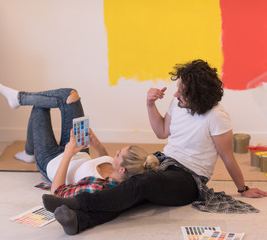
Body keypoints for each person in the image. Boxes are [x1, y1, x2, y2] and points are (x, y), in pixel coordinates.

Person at [41, 59, 267, 235]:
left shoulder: (218, 117)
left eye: (182, 91)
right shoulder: (178, 104)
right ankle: (79, 221)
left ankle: (77, 203)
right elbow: (161, 132)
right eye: (178, 87)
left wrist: (242, 188)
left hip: (188, 179)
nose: (176, 93)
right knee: (129, 195)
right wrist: (150, 104)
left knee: (142, 183)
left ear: (198, 96)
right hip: (163, 161)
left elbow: (227, 156)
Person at [0, 79, 159, 197]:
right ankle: (19, 104)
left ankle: (19, 102)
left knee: (40, 107)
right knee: (71, 95)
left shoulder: (98, 187)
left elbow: (57, 192)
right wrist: (96, 144)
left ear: (122, 169)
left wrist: (68, 153)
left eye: (118, 155)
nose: (115, 153)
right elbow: (105, 159)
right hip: (78, 149)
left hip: (51, 161)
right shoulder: (120, 172)